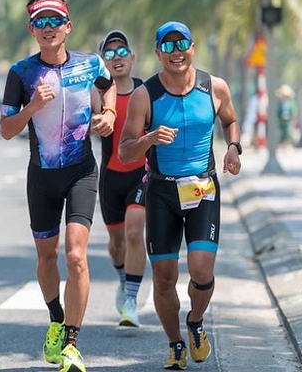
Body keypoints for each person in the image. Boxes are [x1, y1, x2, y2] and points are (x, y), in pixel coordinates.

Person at [0, 0, 116, 372]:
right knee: (46, 257)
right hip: (43, 176)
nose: (48, 29)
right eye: (40, 22)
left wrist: (110, 113)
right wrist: (32, 106)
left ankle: (71, 341)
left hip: (81, 170)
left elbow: (107, 84)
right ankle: (55, 318)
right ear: (33, 30)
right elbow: (5, 129)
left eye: (55, 22)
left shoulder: (89, 63)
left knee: (76, 256)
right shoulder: (21, 73)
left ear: (68, 27)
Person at [119, 21, 241, 370]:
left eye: (181, 44)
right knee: (164, 278)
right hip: (162, 193)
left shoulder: (214, 87)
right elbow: (126, 151)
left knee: (202, 271)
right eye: (167, 46)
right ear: (158, 53)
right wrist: (149, 139)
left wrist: (233, 148)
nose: (176, 52)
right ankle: (175, 344)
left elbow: (230, 120)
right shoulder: (146, 96)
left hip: (203, 189)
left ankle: (196, 323)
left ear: (193, 46)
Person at [95, 30, 147, 327]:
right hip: (110, 178)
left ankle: (131, 300)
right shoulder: (100, 93)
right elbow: (89, 113)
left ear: (132, 57)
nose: (117, 58)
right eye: (109, 54)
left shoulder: (145, 91)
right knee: (116, 243)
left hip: (141, 175)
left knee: (134, 232)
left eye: (121, 51)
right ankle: (122, 277)